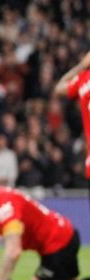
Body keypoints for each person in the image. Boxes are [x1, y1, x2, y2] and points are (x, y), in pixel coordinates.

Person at [53, 50, 90, 183]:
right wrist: (82, 66)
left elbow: (59, 87)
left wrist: (81, 66)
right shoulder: (84, 79)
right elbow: (58, 89)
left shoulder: (84, 79)